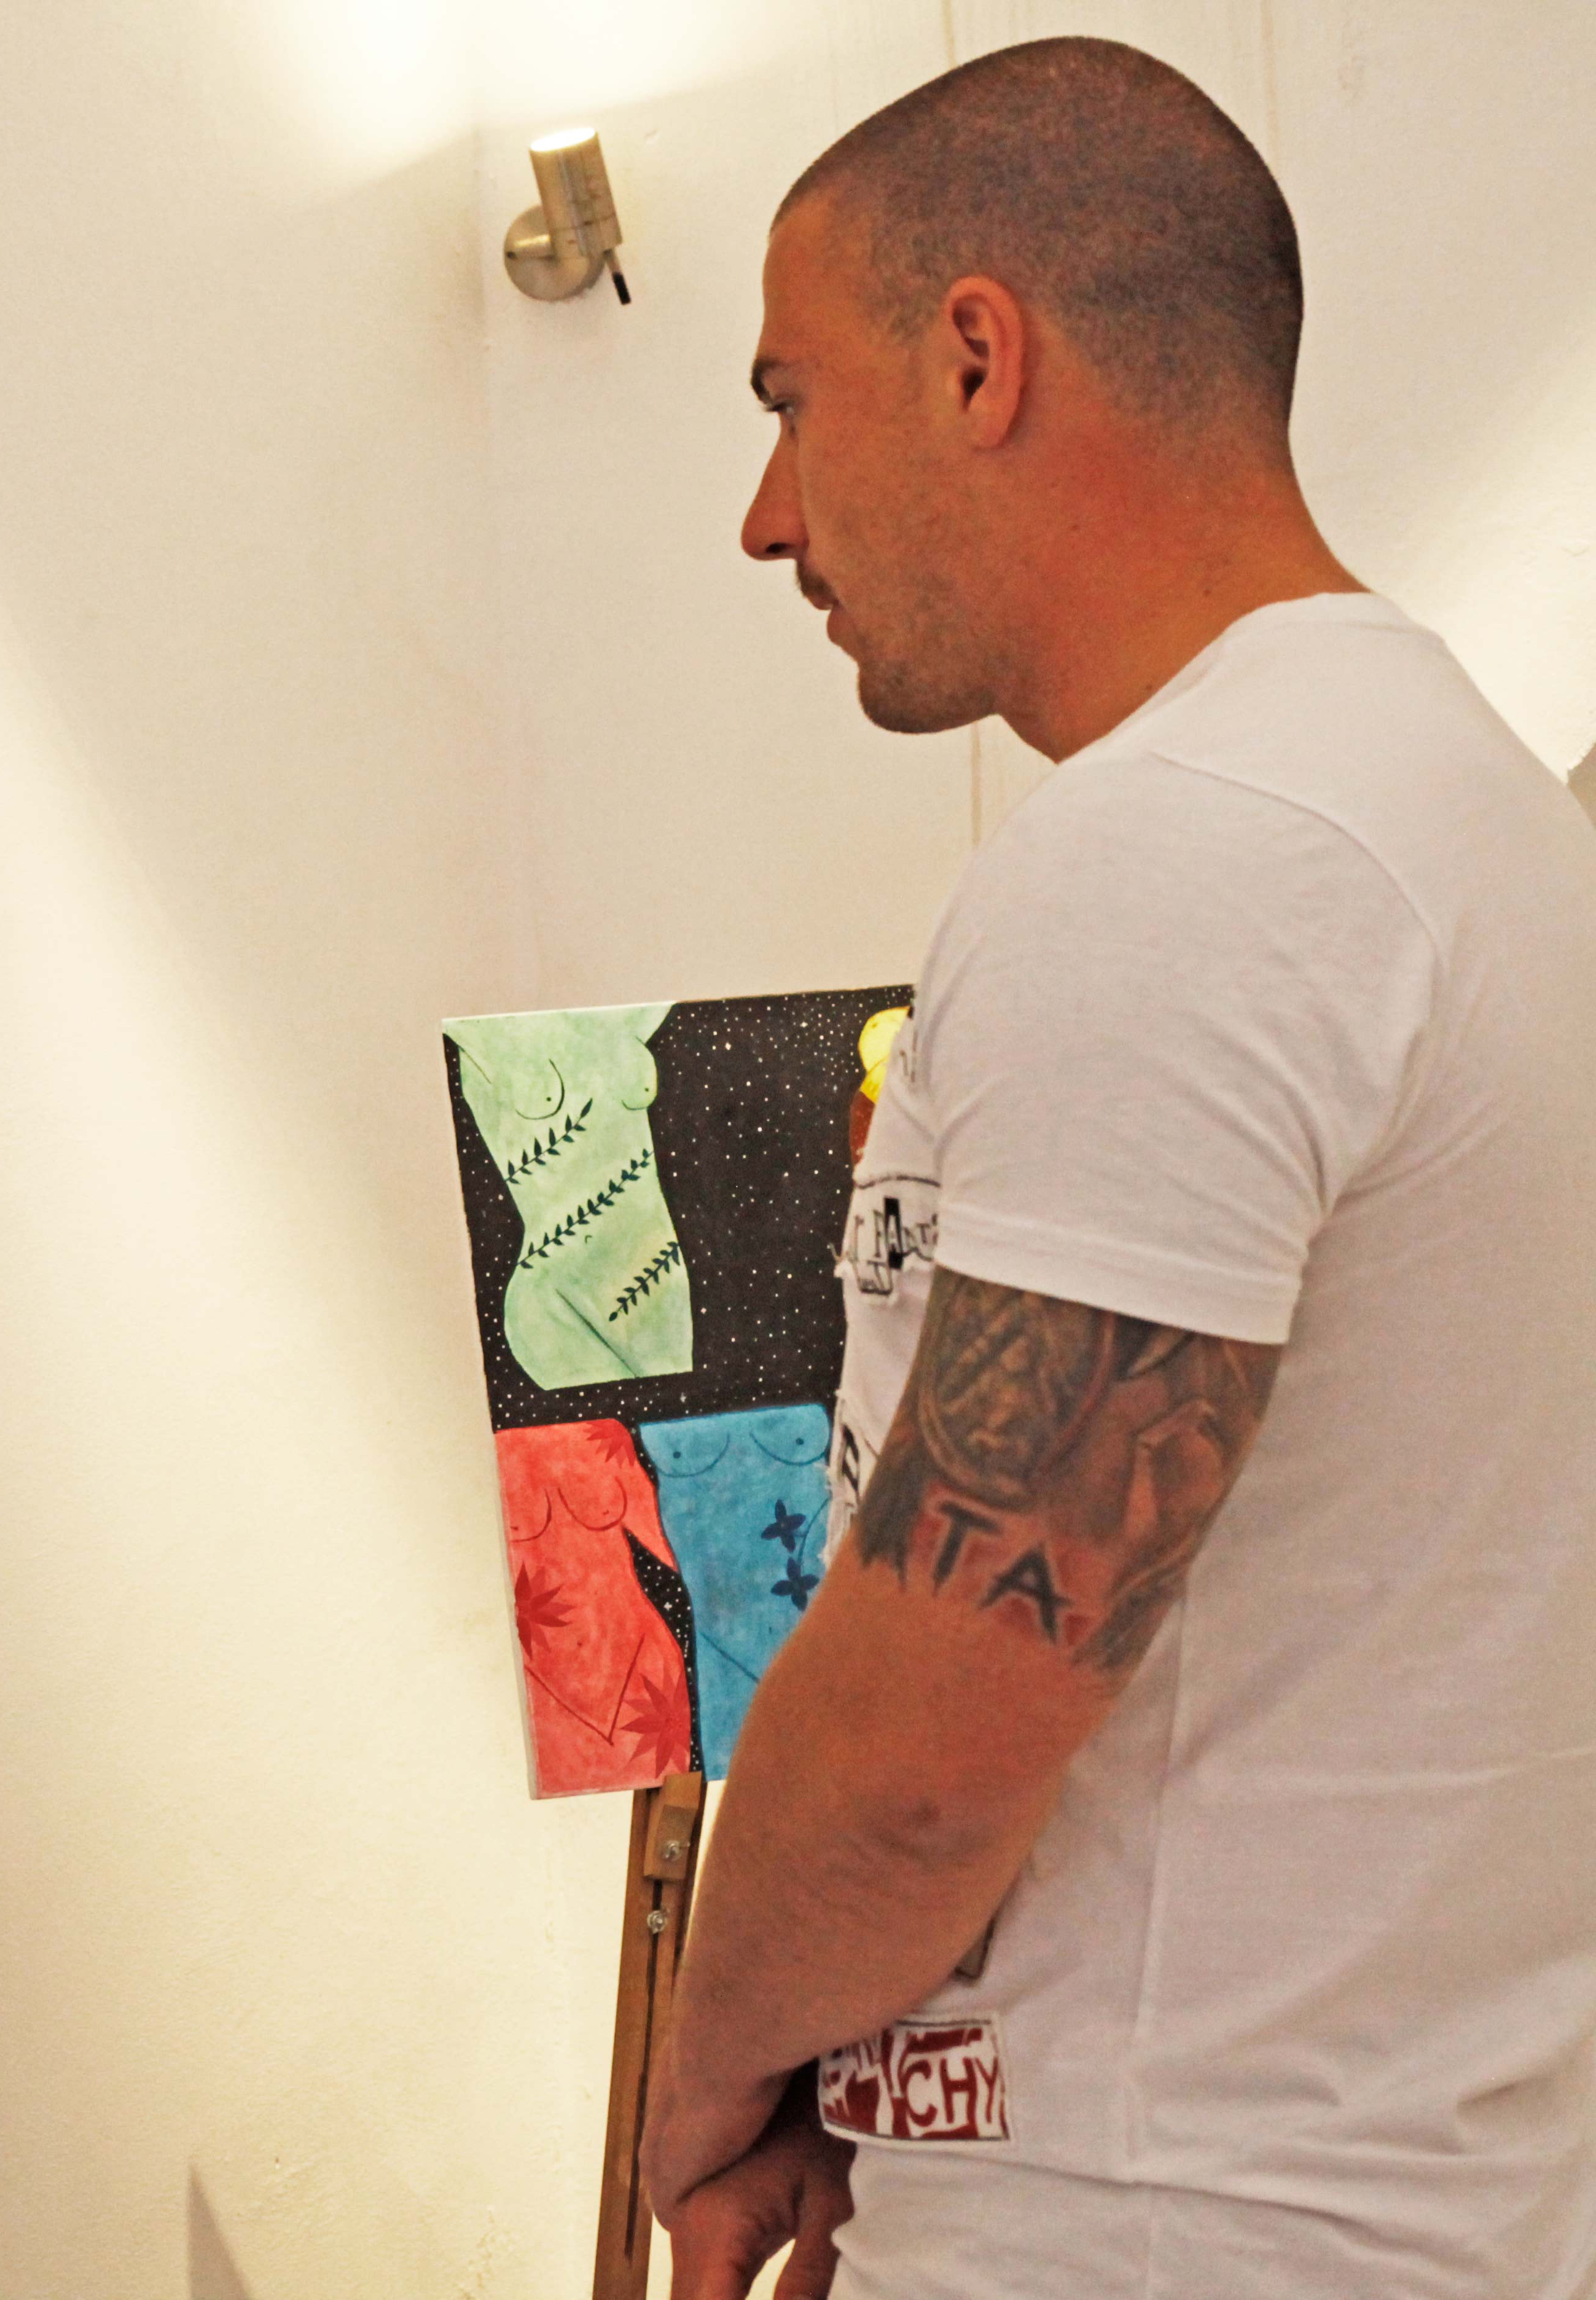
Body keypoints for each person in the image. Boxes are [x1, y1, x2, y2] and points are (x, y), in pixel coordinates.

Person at [642, 37, 1596, 2298]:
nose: (767, 516)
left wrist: (714, 2063)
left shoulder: (1193, 855)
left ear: (977, 359)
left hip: (1169, 2228)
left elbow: (932, 1737)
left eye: (789, 401)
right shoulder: (1471, 819)